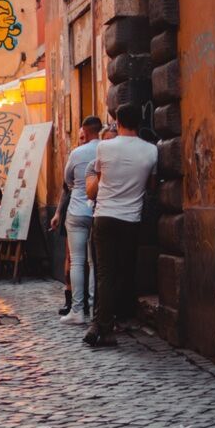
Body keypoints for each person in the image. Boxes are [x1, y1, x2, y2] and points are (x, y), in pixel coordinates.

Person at [85, 104, 157, 347]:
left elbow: (98, 179)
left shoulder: (104, 147)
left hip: (104, 215)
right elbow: (151, 185)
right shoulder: (151, 151)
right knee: (121, 274)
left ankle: (102, 327)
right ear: (140, 121)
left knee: (105, 273)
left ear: (116, 121)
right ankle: (103, 324)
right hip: (131, 218)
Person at [51, 116, 103, 326]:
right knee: (94, 262)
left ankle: (78, 310)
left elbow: (68, 180)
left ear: (85, 131)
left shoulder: (78, 153)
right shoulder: (106, 149)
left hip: (78, 210)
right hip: (99, 210)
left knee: (78, 261)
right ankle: (94, 308)